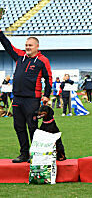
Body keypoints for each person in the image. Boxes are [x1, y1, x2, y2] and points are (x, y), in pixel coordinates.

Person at [0, 31, 52, 163]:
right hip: (17, 98)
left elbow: (48, 79)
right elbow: (8, 46)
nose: (27, 47)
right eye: (26, 45)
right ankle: (24, 154)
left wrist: (46, 95)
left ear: (37, 47)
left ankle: (35, 154)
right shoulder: (19, 56)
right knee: (19, 127)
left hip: (32, 99)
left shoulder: (42, 60)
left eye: (30, 45)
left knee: (32, 127)